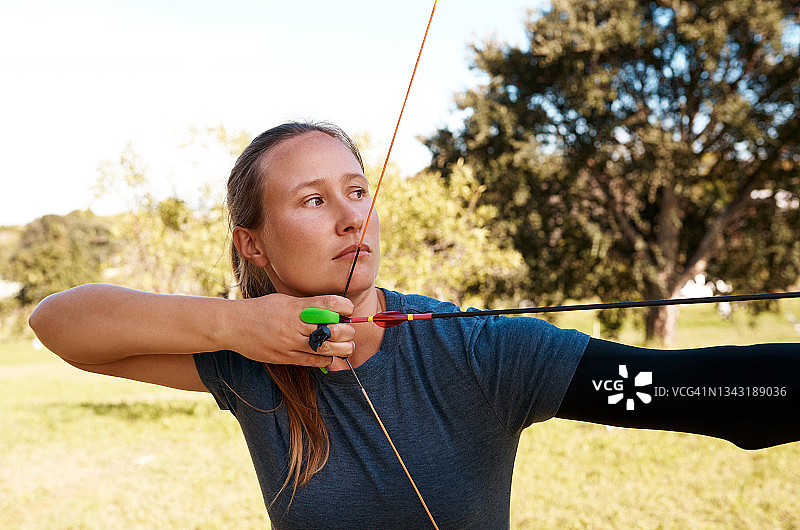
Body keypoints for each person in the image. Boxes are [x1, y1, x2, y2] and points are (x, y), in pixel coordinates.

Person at [29, 121, 800, 529]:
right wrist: (236, 325)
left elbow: (702, 392)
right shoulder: (247, 363)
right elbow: (62, 324)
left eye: (357, 191)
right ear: (252, 244)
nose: (349, 216)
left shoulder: (481, 352)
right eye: (311, 200)